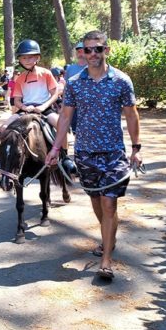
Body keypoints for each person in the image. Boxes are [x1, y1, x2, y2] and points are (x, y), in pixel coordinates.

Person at [45, 30, 143, 281]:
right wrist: (56, 148)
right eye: (87, 50)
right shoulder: (75, 83)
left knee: (109, 204)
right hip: (85, 153)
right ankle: (108, 237)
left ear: (106, 50)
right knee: (98, 202)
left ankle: (106, 260)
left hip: (113, 154)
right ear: (82, 52)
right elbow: (65, 117)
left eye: (97, 49)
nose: (92, 54)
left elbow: (132, 115)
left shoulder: (121, 81)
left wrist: (136, 148)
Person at [0, 40, 65, 149]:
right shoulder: (20, 78)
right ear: (19, 59)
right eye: (24, 58)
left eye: (30, 57)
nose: (27, 60)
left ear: (37, 58)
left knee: (62, 125)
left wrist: (43, 106)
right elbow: (17, 100)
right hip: (26, 109)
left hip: (44, 108)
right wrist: (24, 107)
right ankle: (5, 157)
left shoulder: (46, 73)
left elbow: (55, 94)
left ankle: (65, 155)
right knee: (4, 128)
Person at [64, 41, 87, 135]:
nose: (81, 54)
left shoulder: (93, 67)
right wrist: (64, 105)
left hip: (88, 106)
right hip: (74, 107)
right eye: (79, 52)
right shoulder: (70, 69)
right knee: (76, 132)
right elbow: (66, 87)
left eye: (83, 51)